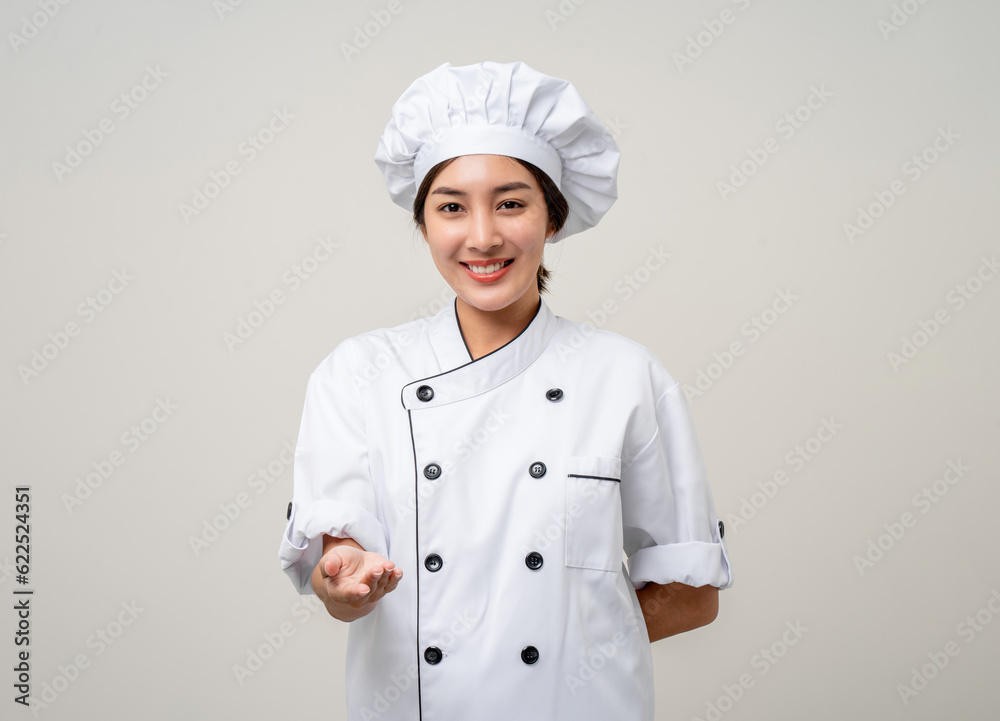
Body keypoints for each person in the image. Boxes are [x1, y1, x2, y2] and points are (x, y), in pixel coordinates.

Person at [279, 60, 733, 721]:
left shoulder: (625, 376)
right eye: (452, 207)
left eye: (512, 202)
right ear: (424, 222)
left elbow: (691, 593)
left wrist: (562, 652)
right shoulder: (357, 374)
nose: (483, 235)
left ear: (552, 216)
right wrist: (345, 583)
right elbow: (338, 564)